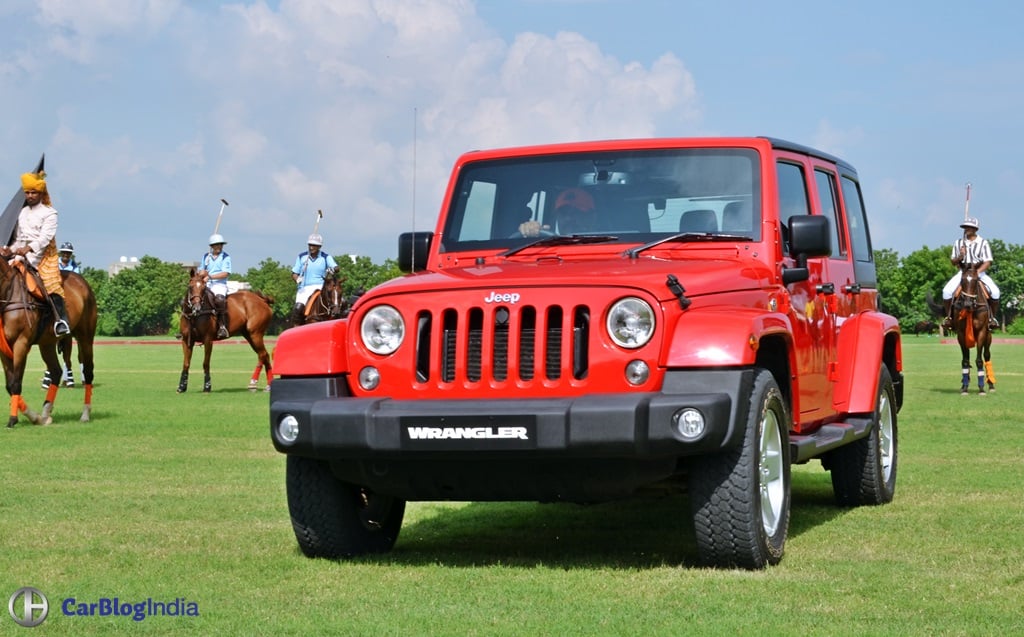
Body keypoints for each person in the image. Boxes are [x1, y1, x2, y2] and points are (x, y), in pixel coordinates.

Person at [0, 171, 70, 337]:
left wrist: (29, 248)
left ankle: (61, 321)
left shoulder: (50, 213)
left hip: (43, 256)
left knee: (51, 284)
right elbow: (19, 239)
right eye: (28, 192)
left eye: (33, 193)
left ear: (41, 193)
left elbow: (45, 238)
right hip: (21, 256)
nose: (30, 196)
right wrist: (10, 249)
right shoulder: (22, 213)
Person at [941, 216, 1000, 330]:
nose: (966, 229)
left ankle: (992, 318)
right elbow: (953, 261)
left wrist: (977, 272)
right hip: (963, 272)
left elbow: (988, 261)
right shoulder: (958, 243)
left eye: (969, 227)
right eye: (965, 227)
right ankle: (949, 318)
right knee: (946, 292)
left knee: (995, 292)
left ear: (975, 229)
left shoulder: (983, 243)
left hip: (979, 272)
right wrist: (961, 256)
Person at [290, 234, 338, 325]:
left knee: (337, 301)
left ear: (319, 246)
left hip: (320, 287)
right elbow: (294, 273)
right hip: (304, 288)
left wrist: (333, 269)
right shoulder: (302, 256)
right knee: (298, 307)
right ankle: (295, 327)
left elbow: (336, 267)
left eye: (314, 245)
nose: (311, 247)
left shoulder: (325, 257)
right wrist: (297, 279)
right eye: (310, 245)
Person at [518, 188, 597, 237]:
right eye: (563, 213)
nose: (568, 218)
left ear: (591, 217)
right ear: (556, 217)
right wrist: (528, 231)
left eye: (576, 213)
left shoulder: (605, 246)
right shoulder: (544, 247)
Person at [198, 234, 231, 338]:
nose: (219, 247)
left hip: (219, 284)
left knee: (220, 300)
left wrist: (210, 276)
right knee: (193, 298)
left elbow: (226, 273)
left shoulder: (225, 257)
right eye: (217, 245)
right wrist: (202, 272)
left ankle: (222, 327)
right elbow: (200, 271)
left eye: (221, 245)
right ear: (212, 246)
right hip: (206, 284)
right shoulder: (206, 256)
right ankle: (188, 327)